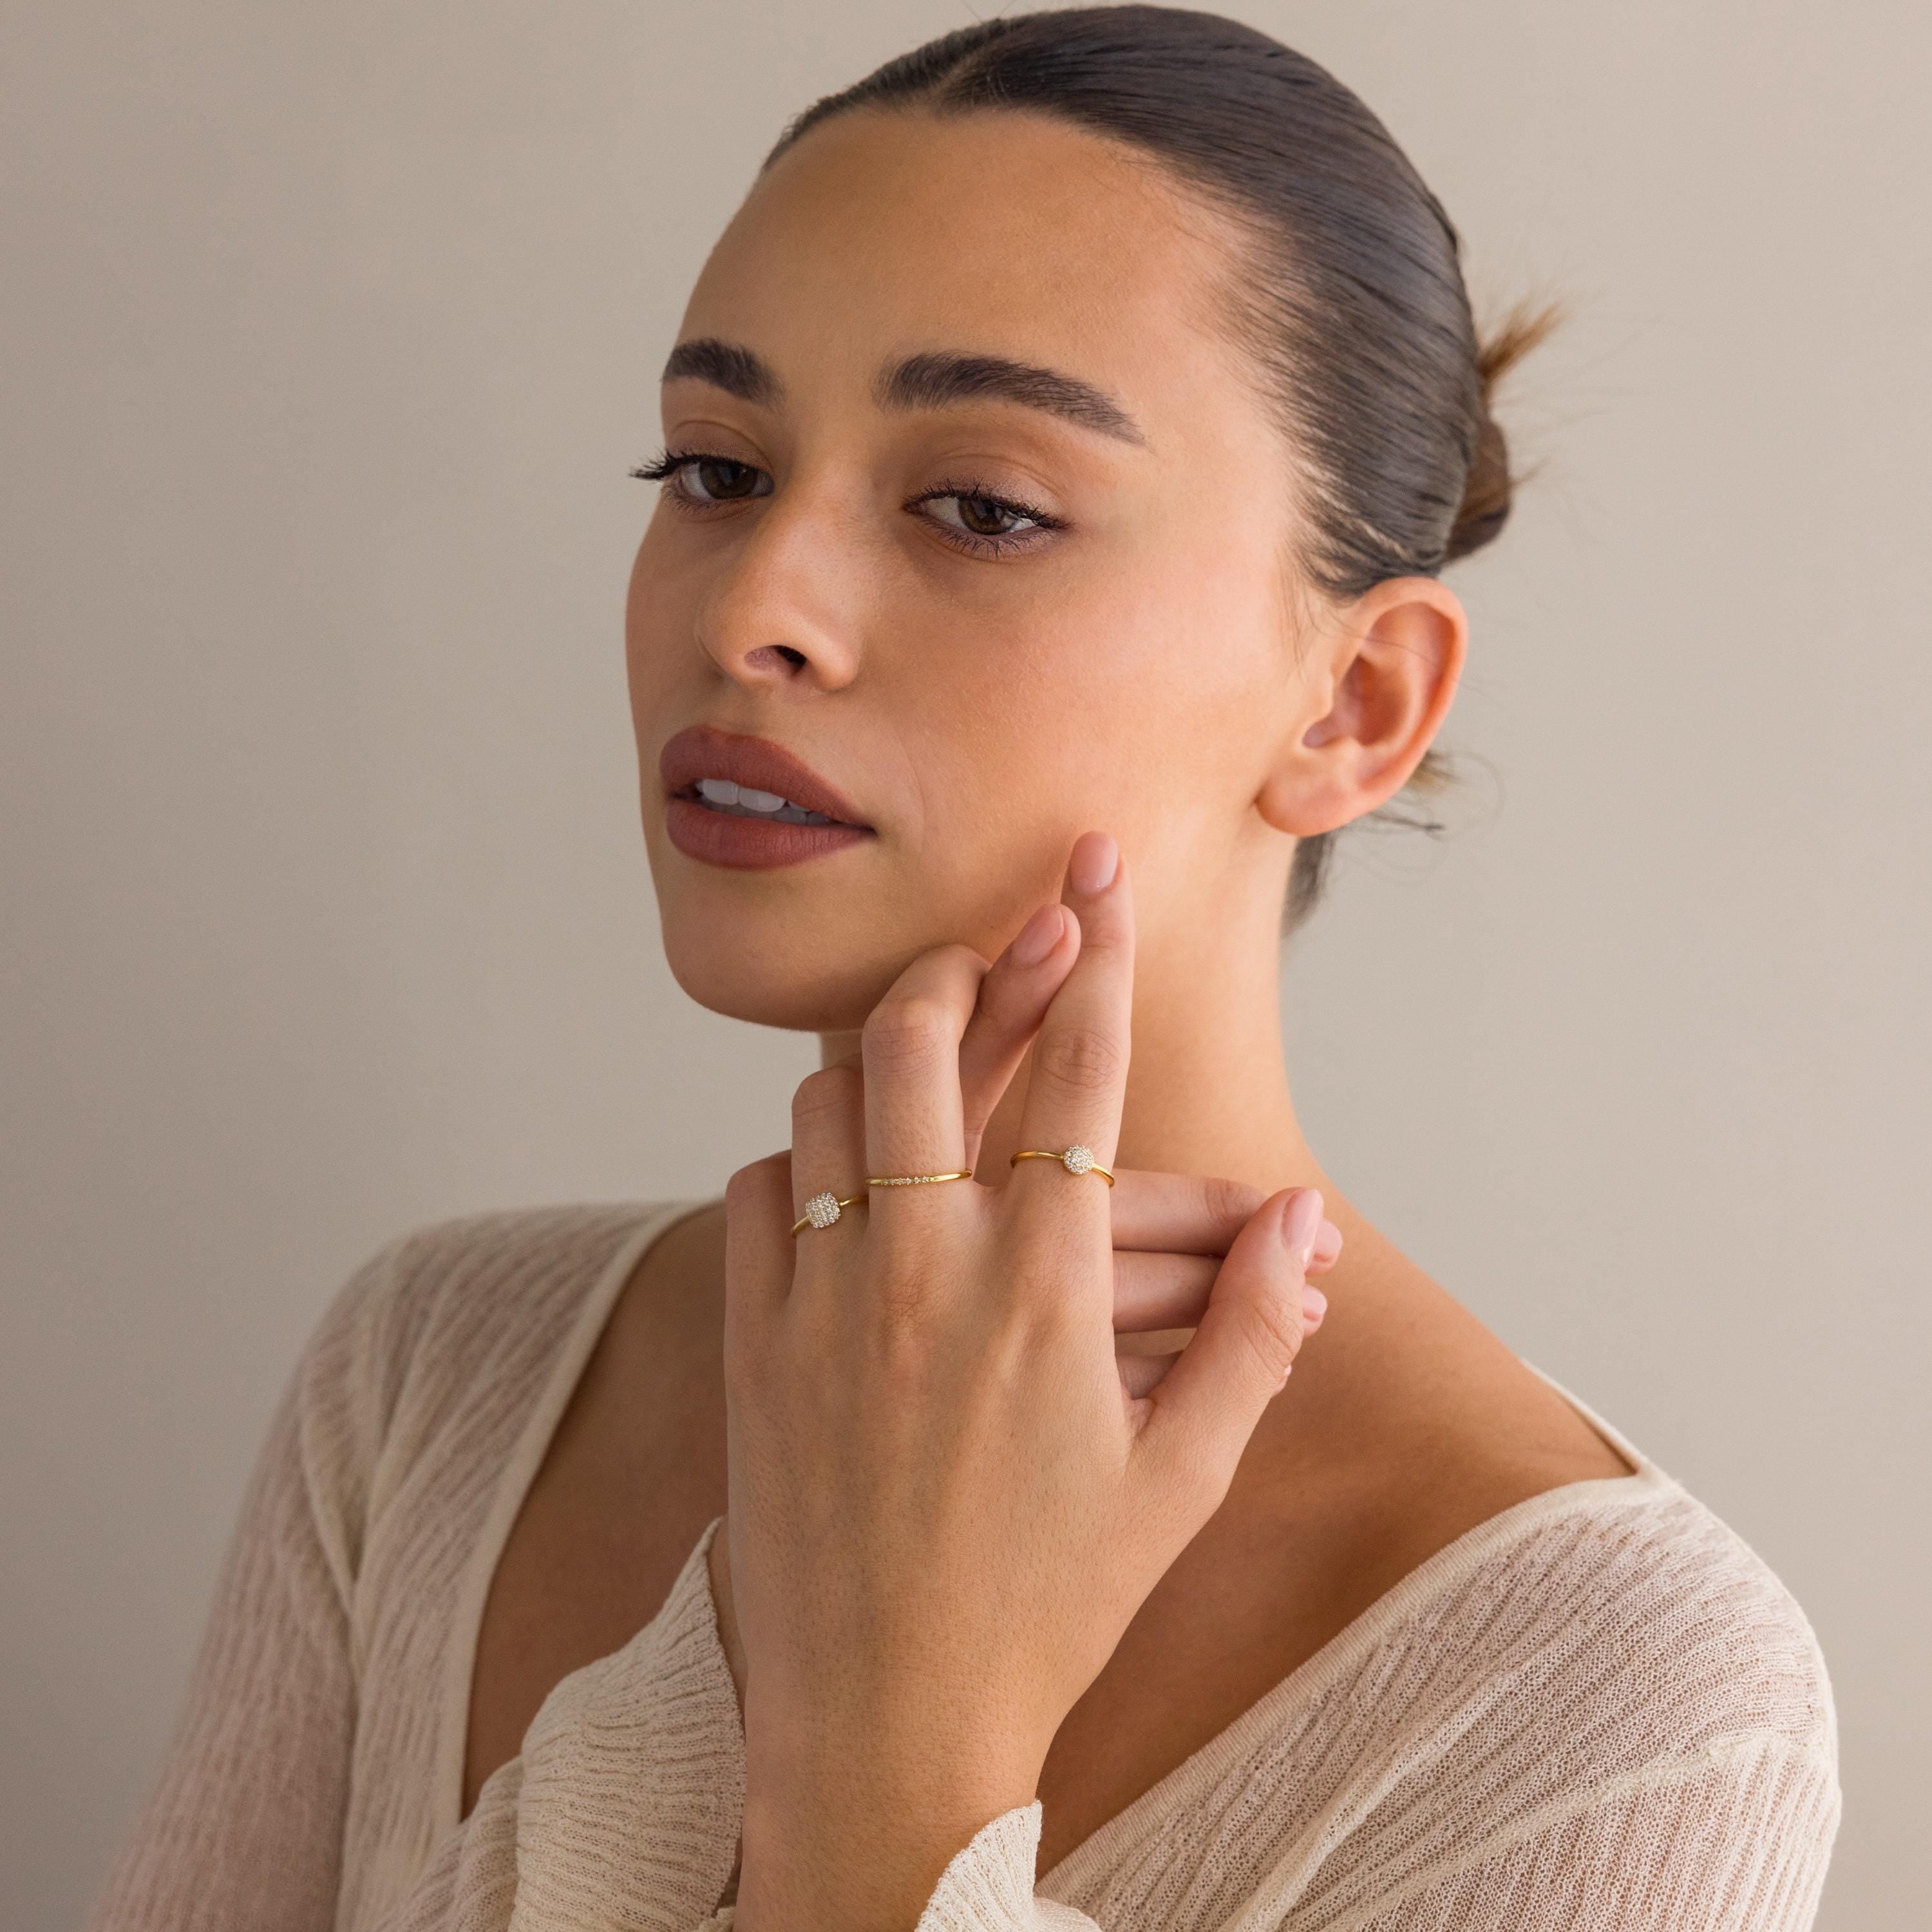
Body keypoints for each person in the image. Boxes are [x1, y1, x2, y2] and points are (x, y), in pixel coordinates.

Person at [84, 9, 1840, 1930]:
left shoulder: (1622, 1702)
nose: (755, 610)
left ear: (1356, 701)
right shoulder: (437, 1380)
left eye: (981, 508)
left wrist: (881, 1762)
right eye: (714, 467)